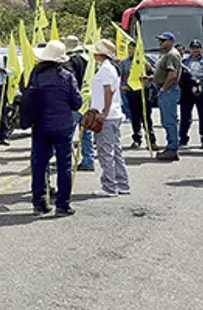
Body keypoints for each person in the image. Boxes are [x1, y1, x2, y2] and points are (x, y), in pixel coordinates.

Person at [21, 40, 82, 217]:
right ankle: (63, 204)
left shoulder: (36, 75)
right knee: (64, 166)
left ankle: (39, 203)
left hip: (40, 125)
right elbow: (77, 102)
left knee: (39, 164)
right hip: (62, 125)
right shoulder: (67, 76)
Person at [90, 40, 130, 198]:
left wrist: (104, 112)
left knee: (106, 152)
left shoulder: (106, 69)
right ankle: (122, 184)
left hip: (107, 115)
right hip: (114, 114)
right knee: (115, 150)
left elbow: (109, 90)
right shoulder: (111, 67)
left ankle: (109, 186)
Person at [148, 31, 182, 161]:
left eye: (164, 40)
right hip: (166, 88)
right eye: (160, 40)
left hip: (169, 90)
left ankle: (172, 148)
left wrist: (163, 88)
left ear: (171, 42)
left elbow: (172, 75)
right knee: (167, 120)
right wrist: (152, 79)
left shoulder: (171, 55)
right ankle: (170, 146)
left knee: (169, 121)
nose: (160, 43)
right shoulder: (166, 55)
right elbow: (164, 73)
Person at [63, 35, 94, 171]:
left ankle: (66, 160)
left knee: (67, 132)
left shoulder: (71, 61)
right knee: (86, 132)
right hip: (87, 98)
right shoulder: (87, 59)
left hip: (75, 100)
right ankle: (88, 159)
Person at [119, 39, 156, 150]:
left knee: (146, 117)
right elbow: (120, 76)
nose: (131, 51)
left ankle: (151, 140)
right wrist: (123, 86)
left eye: (133, 49)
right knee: (134, 117)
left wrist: (149, 67)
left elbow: (155, 74)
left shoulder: (145, 59)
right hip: (132, 92)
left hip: (145, 91)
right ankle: (136, 139)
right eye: (129, 49)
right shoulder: (124, 62)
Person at [179, 40, 203, 148]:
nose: (195, 50)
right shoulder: (184, 62)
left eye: (197, 48)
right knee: (185, 117)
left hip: (201, 91)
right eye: (193, 48)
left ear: (201, 49)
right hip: (187, 92)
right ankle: (183, 138)